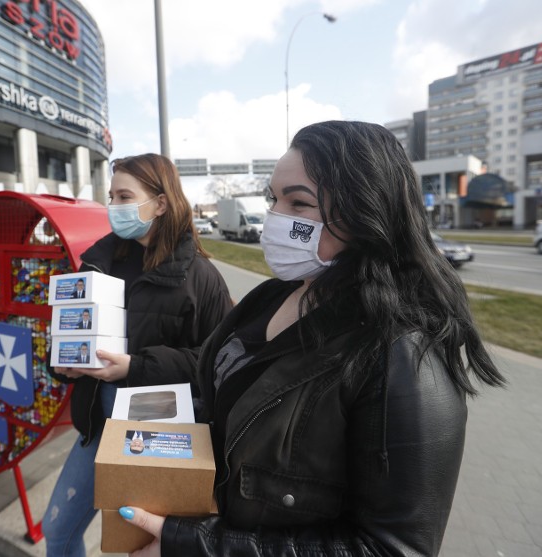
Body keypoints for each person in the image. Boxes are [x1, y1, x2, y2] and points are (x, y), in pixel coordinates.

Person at [117, 121, 506, 556]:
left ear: (365, 214)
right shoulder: (273, 295)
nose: (275, 218)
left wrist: (195, 546)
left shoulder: (404, 357)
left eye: (298, 203)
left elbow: (393, 549)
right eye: (273, 199)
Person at [42, 153, 233, 556]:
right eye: (111, 196)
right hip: (98, 424)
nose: (114, 206)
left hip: (163, 434)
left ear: (160, 203)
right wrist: (62, 365)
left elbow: (219, 363)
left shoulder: (202, 279)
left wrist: (135, 367)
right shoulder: (98, 263)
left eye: (124, 195)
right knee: (57, 530)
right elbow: (68, 329)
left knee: (141, 544)